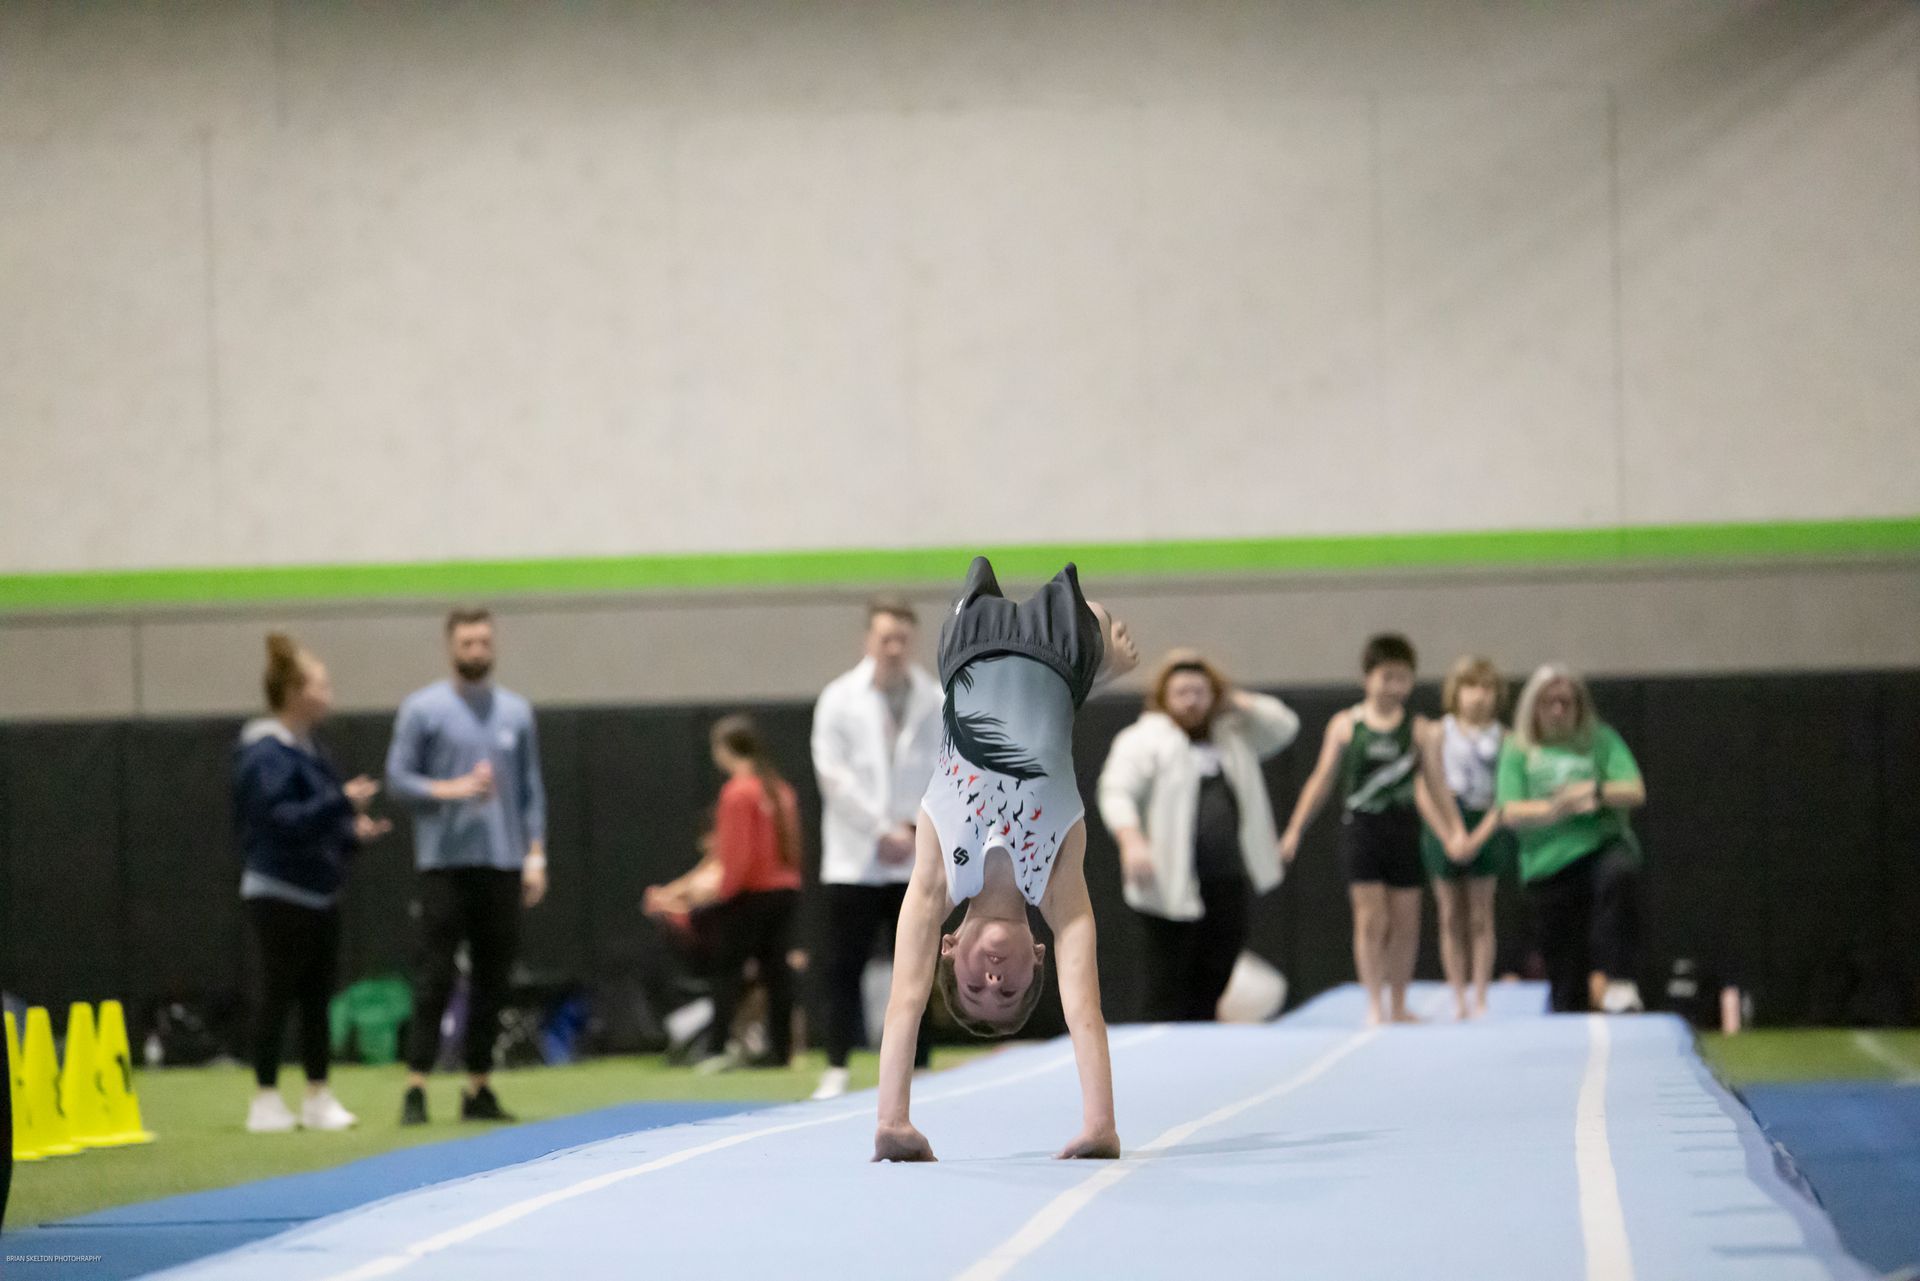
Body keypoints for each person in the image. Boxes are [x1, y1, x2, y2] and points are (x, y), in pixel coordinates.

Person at [872, 558, 1139, 1163]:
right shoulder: (1059, 885)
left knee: (1097, 636)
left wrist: (893, 1119)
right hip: (1058, 655)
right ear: (1038, 957)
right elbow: (1083, 1010)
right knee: (1095, 621)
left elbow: (905, 999)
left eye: (973, 986)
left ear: (948, 947)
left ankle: (1103, 669)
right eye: (1010, 989)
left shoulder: (938, 878)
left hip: (968, 651)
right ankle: (1101, 670)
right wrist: (1101, 1125)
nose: (993, 978)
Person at [386, 608, 548, 1126]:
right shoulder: (423, 710)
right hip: (444, 865)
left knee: (493, 979)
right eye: (467, 643)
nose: (476, 651)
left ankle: (478, 1086)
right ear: (450, 647)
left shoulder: (516, 713)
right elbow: (397, 778)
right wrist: (449, 790)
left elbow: (530, 790)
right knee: (433, 975)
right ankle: (416, 1086)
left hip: (501, 864)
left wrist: (535, 853)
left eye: (483, 642)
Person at [233, 633, 391, 1133]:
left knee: (317, 998)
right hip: (278, 892)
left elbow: (319, 822)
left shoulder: (312, 751)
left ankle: (318, 1094)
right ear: (295, 691)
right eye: (320, 683)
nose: (328, 691)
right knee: (277, 994)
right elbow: (280, 820)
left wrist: (351, 833)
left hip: (319, 892)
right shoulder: (265, 753)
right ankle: (264, 1097)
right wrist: (340, 804)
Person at [1097, 650, 1299, 1021]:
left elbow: (1284, 726)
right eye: (1182, 693)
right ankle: (1160, 1048)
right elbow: (1116, 791)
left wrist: (1233, 698)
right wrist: (1132, 841)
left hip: (1226, 878)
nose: (1191, 701)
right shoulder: (1145, 739)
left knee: (1218, 969)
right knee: (1168, 979)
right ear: (1164, 697)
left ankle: (1203, 1041)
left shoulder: (1233, 736)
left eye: (1199, 692)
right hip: (1169, 883)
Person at [1279, 633, 1462, 1026]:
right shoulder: (1346, 726)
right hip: (1362, 829)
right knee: (1371, 918)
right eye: (1386, 677)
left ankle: (1398, 1002)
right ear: (1368, 678)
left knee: (1406, 921)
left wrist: (1454, 831)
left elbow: (1438, 785)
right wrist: (1295, 828)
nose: (1394, 686)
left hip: (1403, 828)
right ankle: (1375, 1004)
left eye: (1402, 678)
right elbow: (1321, 780)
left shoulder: (1419, 730)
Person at [808, 596, 944, 1100]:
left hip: (915, 853)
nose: (893, 647)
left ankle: (923, 1064)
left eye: (902, 639)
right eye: (885, 637)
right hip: (855, 857)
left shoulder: (935, 699)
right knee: (845, 965)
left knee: (918, 963)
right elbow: (833, 776)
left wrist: (909, 828)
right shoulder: (839, 698)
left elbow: (946, 768)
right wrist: (879, 829)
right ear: (869, 639)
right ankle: (838, 1066)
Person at [645, 716, 804, 1069]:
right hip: (784, 892)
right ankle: (781, 1051)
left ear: (724, 750)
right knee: (776, 974)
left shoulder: (737, 792)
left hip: (750, 895)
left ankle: (717, 1047)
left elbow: (736, 855)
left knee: (727, 974)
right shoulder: (780, 790)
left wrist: (720, 895)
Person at [1494, 664, 1647, 1014]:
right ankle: (1570, 1003)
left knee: (1619, 874)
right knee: (1567, 987)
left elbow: (1634, 790)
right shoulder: (1518, 749)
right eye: (1549, 703)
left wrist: (1594, 790)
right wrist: (1556, 808)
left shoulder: (1601, 739)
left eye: (1566, 703)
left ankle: (1619, 978)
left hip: (1599, 847)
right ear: (1534, 707)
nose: (1558, 711)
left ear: (1579, 706)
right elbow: (1510, 811)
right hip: (1549, 867)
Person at [1420, 656, 1517, 1021]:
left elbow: (1507, 795)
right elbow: (1424, 787)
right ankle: (1457, 995)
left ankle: (1480, 996)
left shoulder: (1506, 737)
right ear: (1456, 693)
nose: (1479, 696)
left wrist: (1478, 836)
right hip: (1445, 822)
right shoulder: (1437, 732)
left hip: (1485, 821)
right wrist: (1449, 833)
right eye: (1471, 687)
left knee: (1480, 916)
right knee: (1449, 915)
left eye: (1487, 688)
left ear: (1497, 695)